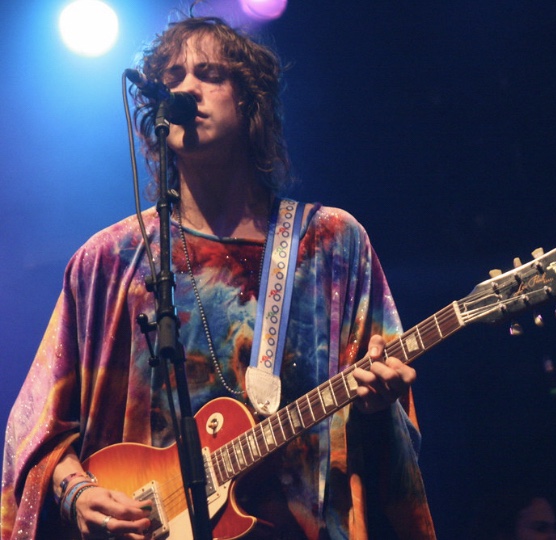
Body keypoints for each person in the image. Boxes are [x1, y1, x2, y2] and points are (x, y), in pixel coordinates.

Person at [1, 14, 435, 540]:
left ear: (250, 102)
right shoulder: (110, 260)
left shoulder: (331, 244)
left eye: (209, 74)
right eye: (173, 78)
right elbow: (36, 428)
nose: (186, 88)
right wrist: (77, 493)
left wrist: (378, 405)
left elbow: (392, 442)